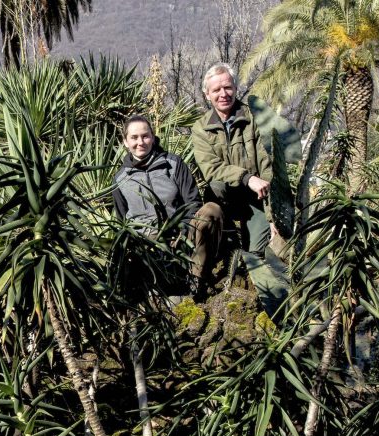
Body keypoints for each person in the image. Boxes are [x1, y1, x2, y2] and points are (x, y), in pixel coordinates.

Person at [191, 63, 290, 322]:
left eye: (227, 87)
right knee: (205, 218)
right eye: (216, 90)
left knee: (260, 252)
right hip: (221, 200)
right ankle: (197, 282)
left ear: (235, 88)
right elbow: (211, 169)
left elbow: (267, 168)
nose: (223, 93)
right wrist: (246, 178)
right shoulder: (200, 128)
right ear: (207, 94)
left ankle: (276, 309)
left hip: (253, 201)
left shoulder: (251, 119)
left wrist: (272, 218)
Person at [113, 115, 223, 299]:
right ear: (125, 141)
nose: (140, 142)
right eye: (134, 137)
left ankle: (197, 278)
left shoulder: (173, 164)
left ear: (153, 136)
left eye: (145, 136)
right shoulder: (120, 179)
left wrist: (182, 231)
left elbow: (193, 202)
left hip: (181, 236)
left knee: (212, 210)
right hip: (147, 247)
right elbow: (121, 220)